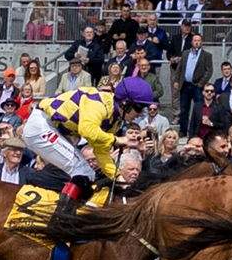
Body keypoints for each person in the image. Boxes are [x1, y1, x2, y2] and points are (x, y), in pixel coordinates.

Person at [16, 73, 155, 205]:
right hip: (40, 126)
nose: (141, 113)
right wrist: (117, 140)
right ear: (125, 103)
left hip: (50, 128)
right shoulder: (99, 104)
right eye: (139, 107)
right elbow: (87, 129)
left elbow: (101, 152)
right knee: (82, 170)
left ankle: (65, 209)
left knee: (88, 174)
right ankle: (61, 216)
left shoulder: (114, 120)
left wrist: (119, 179)